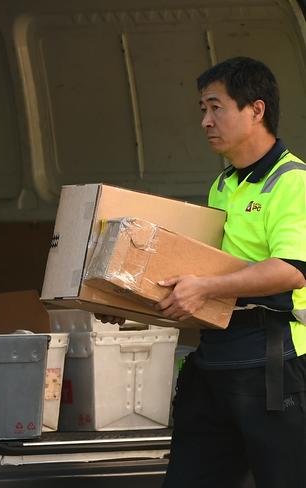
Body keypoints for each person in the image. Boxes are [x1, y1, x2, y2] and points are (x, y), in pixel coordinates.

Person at [99, 57, 306, 488]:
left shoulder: (292, 182)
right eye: (201, 110)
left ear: (256, 110)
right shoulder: (224, 184)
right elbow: (198, 279)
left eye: (216, 107)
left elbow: (292, 270)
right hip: (219, 359)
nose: (205, 121)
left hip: (276, 363)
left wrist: (207, 287)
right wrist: (132, 304)